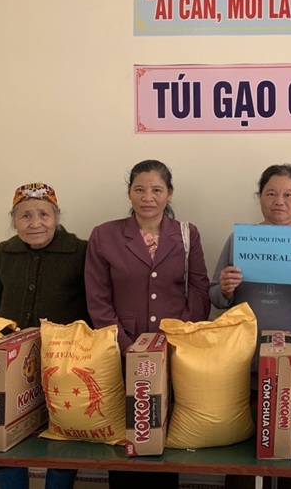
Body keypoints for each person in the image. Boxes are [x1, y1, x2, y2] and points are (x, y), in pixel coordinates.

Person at [209, 163, 291, 489]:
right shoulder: (239, 240)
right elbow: (214, 296)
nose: (279, 201)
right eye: (271, 193)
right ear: (260, 197)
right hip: (245, 365)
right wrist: (225, 289)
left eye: (288, 194)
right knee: (242, 456)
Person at [85, 159, 210, 489]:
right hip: (120, 352)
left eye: (157, 189)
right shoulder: (104, 235)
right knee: (127, 438)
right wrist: (127, 347)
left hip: (173, 352)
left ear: (170, 193)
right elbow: (98, 299)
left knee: (164, 438)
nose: (148, 197)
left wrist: (177, 340)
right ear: (129, 192)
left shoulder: (187, 234)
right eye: (139, 189)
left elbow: (199, 290)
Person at [0, 182, 88, 489]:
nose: (35, 223)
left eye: (44, 214)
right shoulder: (4, 252)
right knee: (1, 429)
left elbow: (92, 305)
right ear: (14, 220)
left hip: (65, 361)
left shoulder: (80, 251)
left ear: (56, 217)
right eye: (25, 216)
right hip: (12, 362)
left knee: (63, 433)